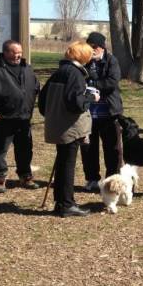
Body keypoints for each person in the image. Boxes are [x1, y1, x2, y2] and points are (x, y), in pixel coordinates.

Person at [39, 41, 100, 217]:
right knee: (67, 166)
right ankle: (66, 204)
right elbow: (76, 104)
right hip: (70, 127)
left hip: (57, 125)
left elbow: (42, 102)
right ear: (83, 57)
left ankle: (61, 202)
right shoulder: (75, 74)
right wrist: (90, 97)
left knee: (62, 164)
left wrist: (53, 115)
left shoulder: (58, 72)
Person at [0, 40, 40, 193]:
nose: (18, 55)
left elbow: (36, 87)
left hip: (24, 117)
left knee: (25, 149)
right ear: (6, 52)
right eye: (14, 52)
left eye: (20, 52)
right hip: (3, 118)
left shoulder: (27, 68)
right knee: (1, 150)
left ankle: (25, 176)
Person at [81, 32, 124, 192]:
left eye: (94, 47)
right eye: (89, 47)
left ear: (102, 47)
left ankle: (111, 180)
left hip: (109, 113)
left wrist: (93, 83)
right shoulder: (84, 61)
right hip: (89, 114)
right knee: (88, 148)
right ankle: (92, 179)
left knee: (111, 149)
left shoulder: (112, 61)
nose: (92, 50)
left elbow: (112, 82)